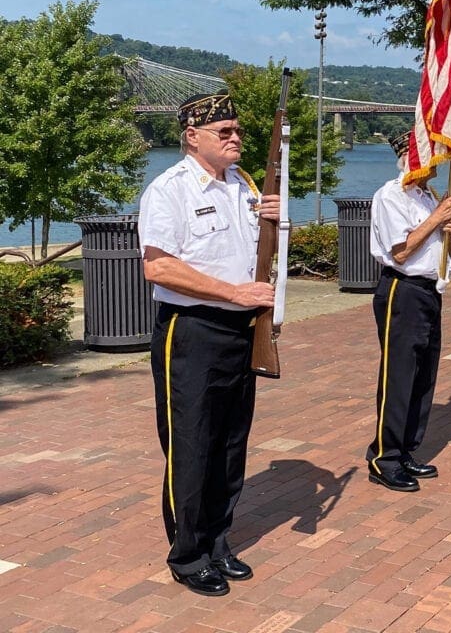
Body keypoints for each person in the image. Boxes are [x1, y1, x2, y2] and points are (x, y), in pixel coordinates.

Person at [138, 91, 280, 597]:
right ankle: (188, 552)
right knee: (192, 444)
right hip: (191, 330)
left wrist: (274, 221)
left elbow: (255, 256)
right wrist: (235, 293)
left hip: (240, 331)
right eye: (224, 131)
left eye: (237, 130)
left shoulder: (242, 186)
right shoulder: (169, 189)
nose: (236, 137)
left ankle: (218, 540)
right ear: (192, 137)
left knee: (229, 443)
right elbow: (158, 265)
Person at [366, 132, 451, 492]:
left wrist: (447, 228)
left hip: (429, 291)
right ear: (410, 157)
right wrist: (436, 219)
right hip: (401, 291)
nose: (437, 162)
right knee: (399, 376)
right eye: (430, 155)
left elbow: (436, 244)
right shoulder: (391, 195)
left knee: (423, 375)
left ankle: (406, 449)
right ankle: (384, 457)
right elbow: (401, 251)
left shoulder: (427, 196)